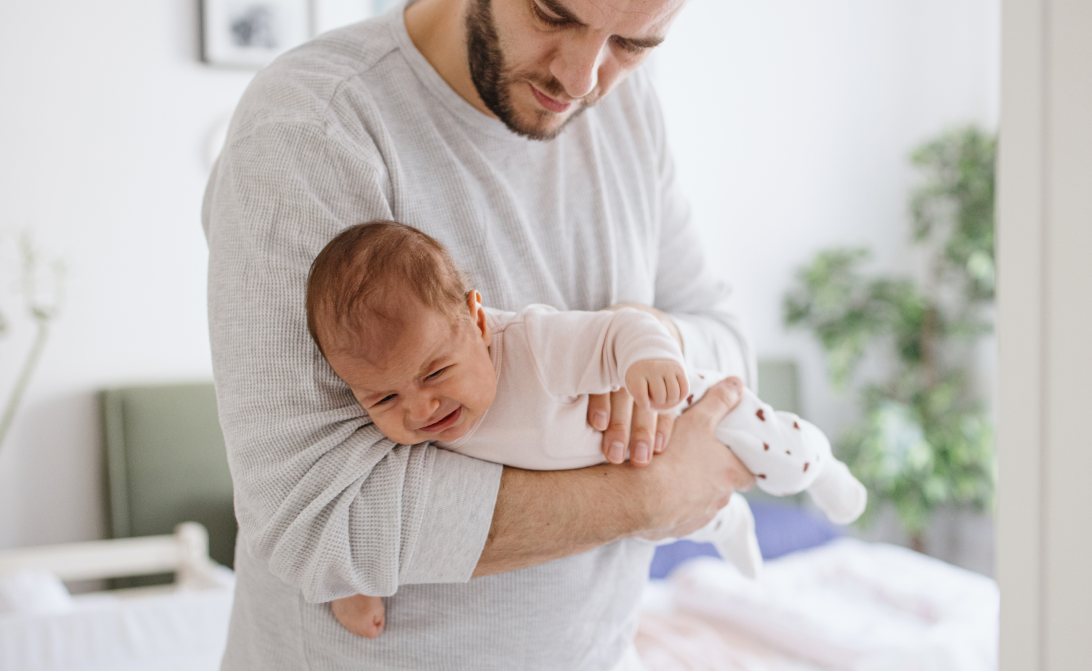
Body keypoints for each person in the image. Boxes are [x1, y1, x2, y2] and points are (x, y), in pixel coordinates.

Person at [202, 0, 752, 668]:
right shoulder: (313, 128)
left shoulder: (628, 110)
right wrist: (648, 498)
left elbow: (727, 346)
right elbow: (313, 516)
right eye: (551, 13)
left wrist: (651, 342)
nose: (580, 78)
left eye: (631, 42)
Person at [307, 221, 867, 639]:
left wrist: (648, 359)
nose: (420, 408)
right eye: (383, 397)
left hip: (677, 400)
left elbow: (617, 330)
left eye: (435, 371)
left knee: (776, 450)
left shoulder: (532, 346)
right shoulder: (409, 426)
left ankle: (824, 468)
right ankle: (730, 524)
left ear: (478, 322)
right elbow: (377, 515)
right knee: (673, 521)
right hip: (628, 465)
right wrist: (355, 588)